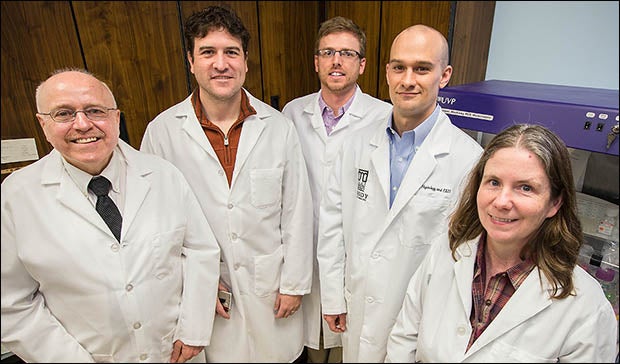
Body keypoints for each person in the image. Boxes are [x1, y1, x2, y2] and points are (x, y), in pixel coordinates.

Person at [0, 69, 221, 363]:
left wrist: (194, 329)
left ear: (116, 118)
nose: (82, 124)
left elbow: (200, 250)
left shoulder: (163, 175)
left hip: (175, 352)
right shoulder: (17, 195)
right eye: (64, 114)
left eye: (95, 111)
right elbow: (11, 303)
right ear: (43, 123)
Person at [140, 5, 313, 363]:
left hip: (272, 288)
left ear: (245, 61)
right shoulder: (162, 132)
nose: (221, 63)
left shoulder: (278, 127)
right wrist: (194, 281)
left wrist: (295, 284)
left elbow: (297, 211)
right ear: (191, 61)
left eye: (231, 52)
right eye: (208, 52)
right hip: (205, 293)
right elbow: (155, 222)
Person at [316, 24, 484, 362]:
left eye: (421, 68)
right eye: (398, 67)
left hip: (420, 320)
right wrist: (333, 295)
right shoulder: (355, 142)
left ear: (445, 74)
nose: (407, 79)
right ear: (388, 71)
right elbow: (332, 222)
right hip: (357, 306)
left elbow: (466, 259)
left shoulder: (468, 160)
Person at [385, 124, 619, 362]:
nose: (502, 201)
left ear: (555, 203)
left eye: (525, 187)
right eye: (494, 182)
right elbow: (404, 339)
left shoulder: (586, 307)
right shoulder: (447, 251)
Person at [282, 16, 392, 363]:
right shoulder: (292, 113)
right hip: (302, 247)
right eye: (328, 52)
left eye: (347, 53)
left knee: (349, 343)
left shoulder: (384, 116)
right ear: (316, 62)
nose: (336, 61)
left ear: (361, 64)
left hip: (355, 250)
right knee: (310, 342)